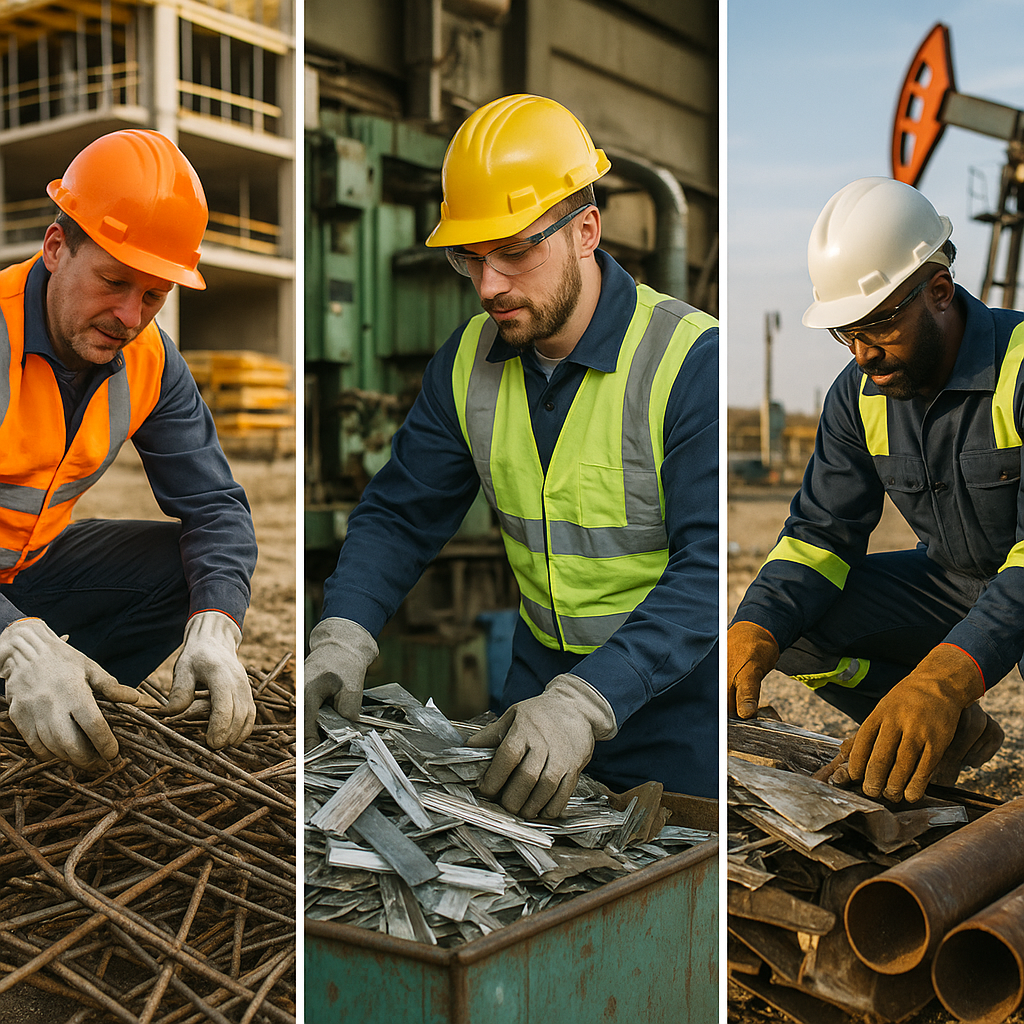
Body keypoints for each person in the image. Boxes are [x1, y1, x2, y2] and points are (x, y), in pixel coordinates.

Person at [306, 93, 719, 819]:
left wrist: (589, 703)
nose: (490, 285)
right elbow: (402, 515)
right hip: (535, 692)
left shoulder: (690, 361)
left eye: (515, 252)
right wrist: (343, 634)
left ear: (586, 230)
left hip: (671, 699)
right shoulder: (467, 363)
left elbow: (708, 571)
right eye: (471, 257)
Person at [728, 176, 1019, 805]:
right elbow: (819, 536)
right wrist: (754, 625)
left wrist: (942, 679)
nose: (862, 354)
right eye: (846, 333)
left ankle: (936, 710)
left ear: (939, 292)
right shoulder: (860, 395)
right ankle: (951, 735)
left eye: (878, 327)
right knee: (795, 625)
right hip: (953, 580)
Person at [0, 129, 258, 770]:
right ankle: (27, 677)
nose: (128, 315)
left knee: (189, 570)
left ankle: (52, 698)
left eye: (153, 295)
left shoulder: (150, 361)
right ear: (56, 247)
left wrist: (216, 626)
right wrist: (13, 642)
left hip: (25, 578)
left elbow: (217, 510)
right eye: (114, 281)